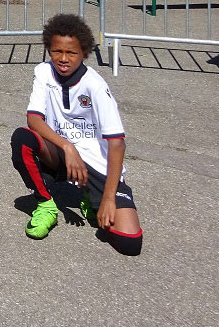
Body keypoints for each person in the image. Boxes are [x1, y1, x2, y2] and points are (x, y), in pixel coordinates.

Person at [11, 14, 143, 255]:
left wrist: (109, 199)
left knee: (130, 243)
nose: (63, 59)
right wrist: (68, 147)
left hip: (96, 163)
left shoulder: (95, 85)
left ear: (84, 53)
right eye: (56, 51)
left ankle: (91, 196)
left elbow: (117, 144)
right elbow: (33, 119)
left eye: (71, 53)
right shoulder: (42, 72)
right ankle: (46, 205)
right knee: (22, 138)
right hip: (60, 155)